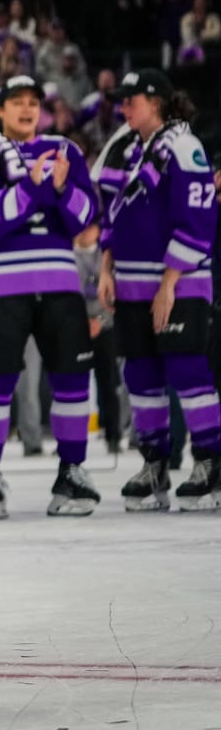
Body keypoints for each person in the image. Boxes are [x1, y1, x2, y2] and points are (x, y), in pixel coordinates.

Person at [0, 74, 101, 518]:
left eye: (33, 101)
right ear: (0, 110)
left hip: (58, 282)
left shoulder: (66, 151)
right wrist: (36, 190)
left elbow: (86, 216)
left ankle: (73, 469)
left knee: (73, 382)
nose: (26, 108)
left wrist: (58, 188)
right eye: (16, 101)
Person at [98, 69, 220, 510]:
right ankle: (155, 466)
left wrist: (169, 283)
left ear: (158, 102)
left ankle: (209, 463)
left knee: (187, 370)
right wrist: (106, 268)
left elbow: (198, 219)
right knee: (141, 375)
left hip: (180, 284)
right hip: (130, 286)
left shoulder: (185, 146)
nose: (124, 106)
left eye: (132, 99)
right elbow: (112, 215)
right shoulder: (127, 148)